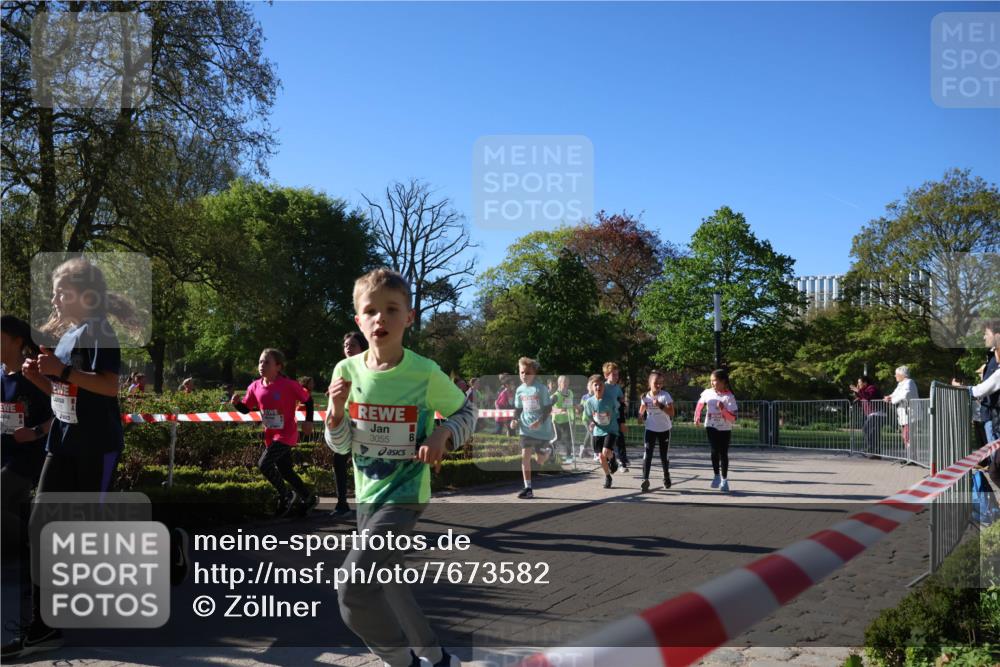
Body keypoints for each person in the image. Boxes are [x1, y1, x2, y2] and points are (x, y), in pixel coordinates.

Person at [324, 268, 473, 667]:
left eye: (392, 309)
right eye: (371, 311)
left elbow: (466, 412)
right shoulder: (345, 372)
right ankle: (436, 658)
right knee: (389, 582)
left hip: (405, 495)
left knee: (352, 586)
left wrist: (443, 434)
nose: (381, 318)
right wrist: (335, 412)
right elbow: (340, 445)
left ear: (409, 317)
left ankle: (401, 662)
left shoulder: (424, 372)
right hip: (367, 497)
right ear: (358, 320)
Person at [3, 257, 137, 659]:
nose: (54, 298)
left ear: (85, 294)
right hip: (61, 444)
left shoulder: (99, 331)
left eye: (61, 291)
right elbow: (66, 393)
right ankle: (42, 625)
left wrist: (61, 370)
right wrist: (40, 379)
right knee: (40, 527)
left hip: (96, 446)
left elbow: (110, 387)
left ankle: (167, 554)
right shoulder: (67, 337)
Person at [231, 348, 317, 518]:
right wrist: (236, 404)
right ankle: (308, 498)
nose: (261, 365)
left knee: (264, 464)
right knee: (285, 470)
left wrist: (308, 421)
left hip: (286, 434)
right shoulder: (255, 386)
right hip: (271, 435)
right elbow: (246, 409)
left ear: (278, 366)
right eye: (260, 362)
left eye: (266, 362)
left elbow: (309, 401)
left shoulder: (289, 385)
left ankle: (286, 495)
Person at [0, 316, 53, 559]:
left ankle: (40, 542)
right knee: (13, 513)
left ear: (17, 341)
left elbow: (62, 415)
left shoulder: (33, 375)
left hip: (26, 460)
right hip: (5, 457)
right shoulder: (2, 375)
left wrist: (35, 432)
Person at [331, 331, 369, 520]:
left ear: (363, 348)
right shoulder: (341, 369)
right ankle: (342, 503)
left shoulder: (370, 370)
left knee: (365, 465)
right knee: (338, 461)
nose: (348, 348)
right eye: (346, 345)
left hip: (366, 426)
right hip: (345, 425)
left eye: (353, 345)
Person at [509, 357, 554, 499]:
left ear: (534, 373)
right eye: (522, 372)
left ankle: (549, 451)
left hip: (541, 430)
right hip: (526, 429)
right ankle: (528, 488)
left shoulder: (541, 389)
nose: (524, 375)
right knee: (525, 457)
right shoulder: (519, 390)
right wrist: (514, 420)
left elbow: (548, 409)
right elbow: (518, 409)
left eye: (527, 373)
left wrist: (539, 422)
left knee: (540, 460)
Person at [694, 369, 738, 493]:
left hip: (725, 428)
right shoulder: (707, 393)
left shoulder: (729, 397)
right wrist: (697, 417)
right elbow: (699, 405)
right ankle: (716, 476)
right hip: (711, 425)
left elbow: (733, 418)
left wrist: (723, 409)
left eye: (715, 381)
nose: (712, 383)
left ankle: (724, 480)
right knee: (714, 450)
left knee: (723, 453)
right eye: (711, 381)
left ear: (723, 382)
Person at [582, 374, 620, 489]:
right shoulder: (589, 402)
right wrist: (591, 423)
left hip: (610, 430)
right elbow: (588, 416)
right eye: (596, 385)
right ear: (592, 387)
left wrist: (613, 418)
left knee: (605, 452)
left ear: (604, 386)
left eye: (600, 385)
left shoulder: (610, 399)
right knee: (601, 457)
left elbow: (616, 411)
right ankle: (608, 476)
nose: (598, 387)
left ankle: (612, 459)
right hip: (598, 431)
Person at [638, 370, 674, 492]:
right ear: (649, 383)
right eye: (656, 383)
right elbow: (641, 412)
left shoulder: (665, 395)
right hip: (650, 429)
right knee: (648, 453)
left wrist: (660, 405)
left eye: (661, 383)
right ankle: (645, 479)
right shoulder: (645, 397)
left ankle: (666, 476)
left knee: (664, 455)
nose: (658, 385)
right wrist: (640, 417)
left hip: (664, 429)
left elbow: (672, 413)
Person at [603, 362, 630, 472]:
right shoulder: (603, 386)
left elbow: (621, 398)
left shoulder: (617, 387)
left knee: (620, 439)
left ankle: (622, 462)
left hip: (617, 417)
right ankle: (610, 460)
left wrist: (623, 401)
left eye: (617, 374)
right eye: (613, 374)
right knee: (607, 441)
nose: (616, 377)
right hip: (606, 418)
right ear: (606, 375)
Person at [884, 366, 918, 454]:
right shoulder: (901, 384)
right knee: (905, 435)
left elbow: (905, 394)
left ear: (902, 375)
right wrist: (889, 397)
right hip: (904, 415)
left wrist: (892, 400)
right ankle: (910, 456)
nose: (895, 376)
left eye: (896, 374)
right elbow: (895, 393)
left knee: (907, 435)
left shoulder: (909, 382)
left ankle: (911, 456)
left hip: (910, 414)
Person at [850, 375, 883, 453]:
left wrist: (858, 391)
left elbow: (868, 396)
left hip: (877, 413)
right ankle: (874, 451)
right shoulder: (864, 390)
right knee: (872, 432)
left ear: (865, 383)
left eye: (859, 382)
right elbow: (863, 398)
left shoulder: (872, 388)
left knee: (867, 429)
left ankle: (871, 449)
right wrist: (857, 395)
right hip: (871, 414)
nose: (858, 384)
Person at [550, 375, 575, 463]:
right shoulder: (556, 396)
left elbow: (571, 404)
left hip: (567, 419)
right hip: (557, 420)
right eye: (564, 382)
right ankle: (550, 447)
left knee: (568, 438)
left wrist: (575, 409)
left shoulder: (570, 393)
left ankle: (568, 457)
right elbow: (549, 408)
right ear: (559, 383)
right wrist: (559, 410)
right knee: (558, 438)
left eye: (567, 381)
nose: (566, 383)